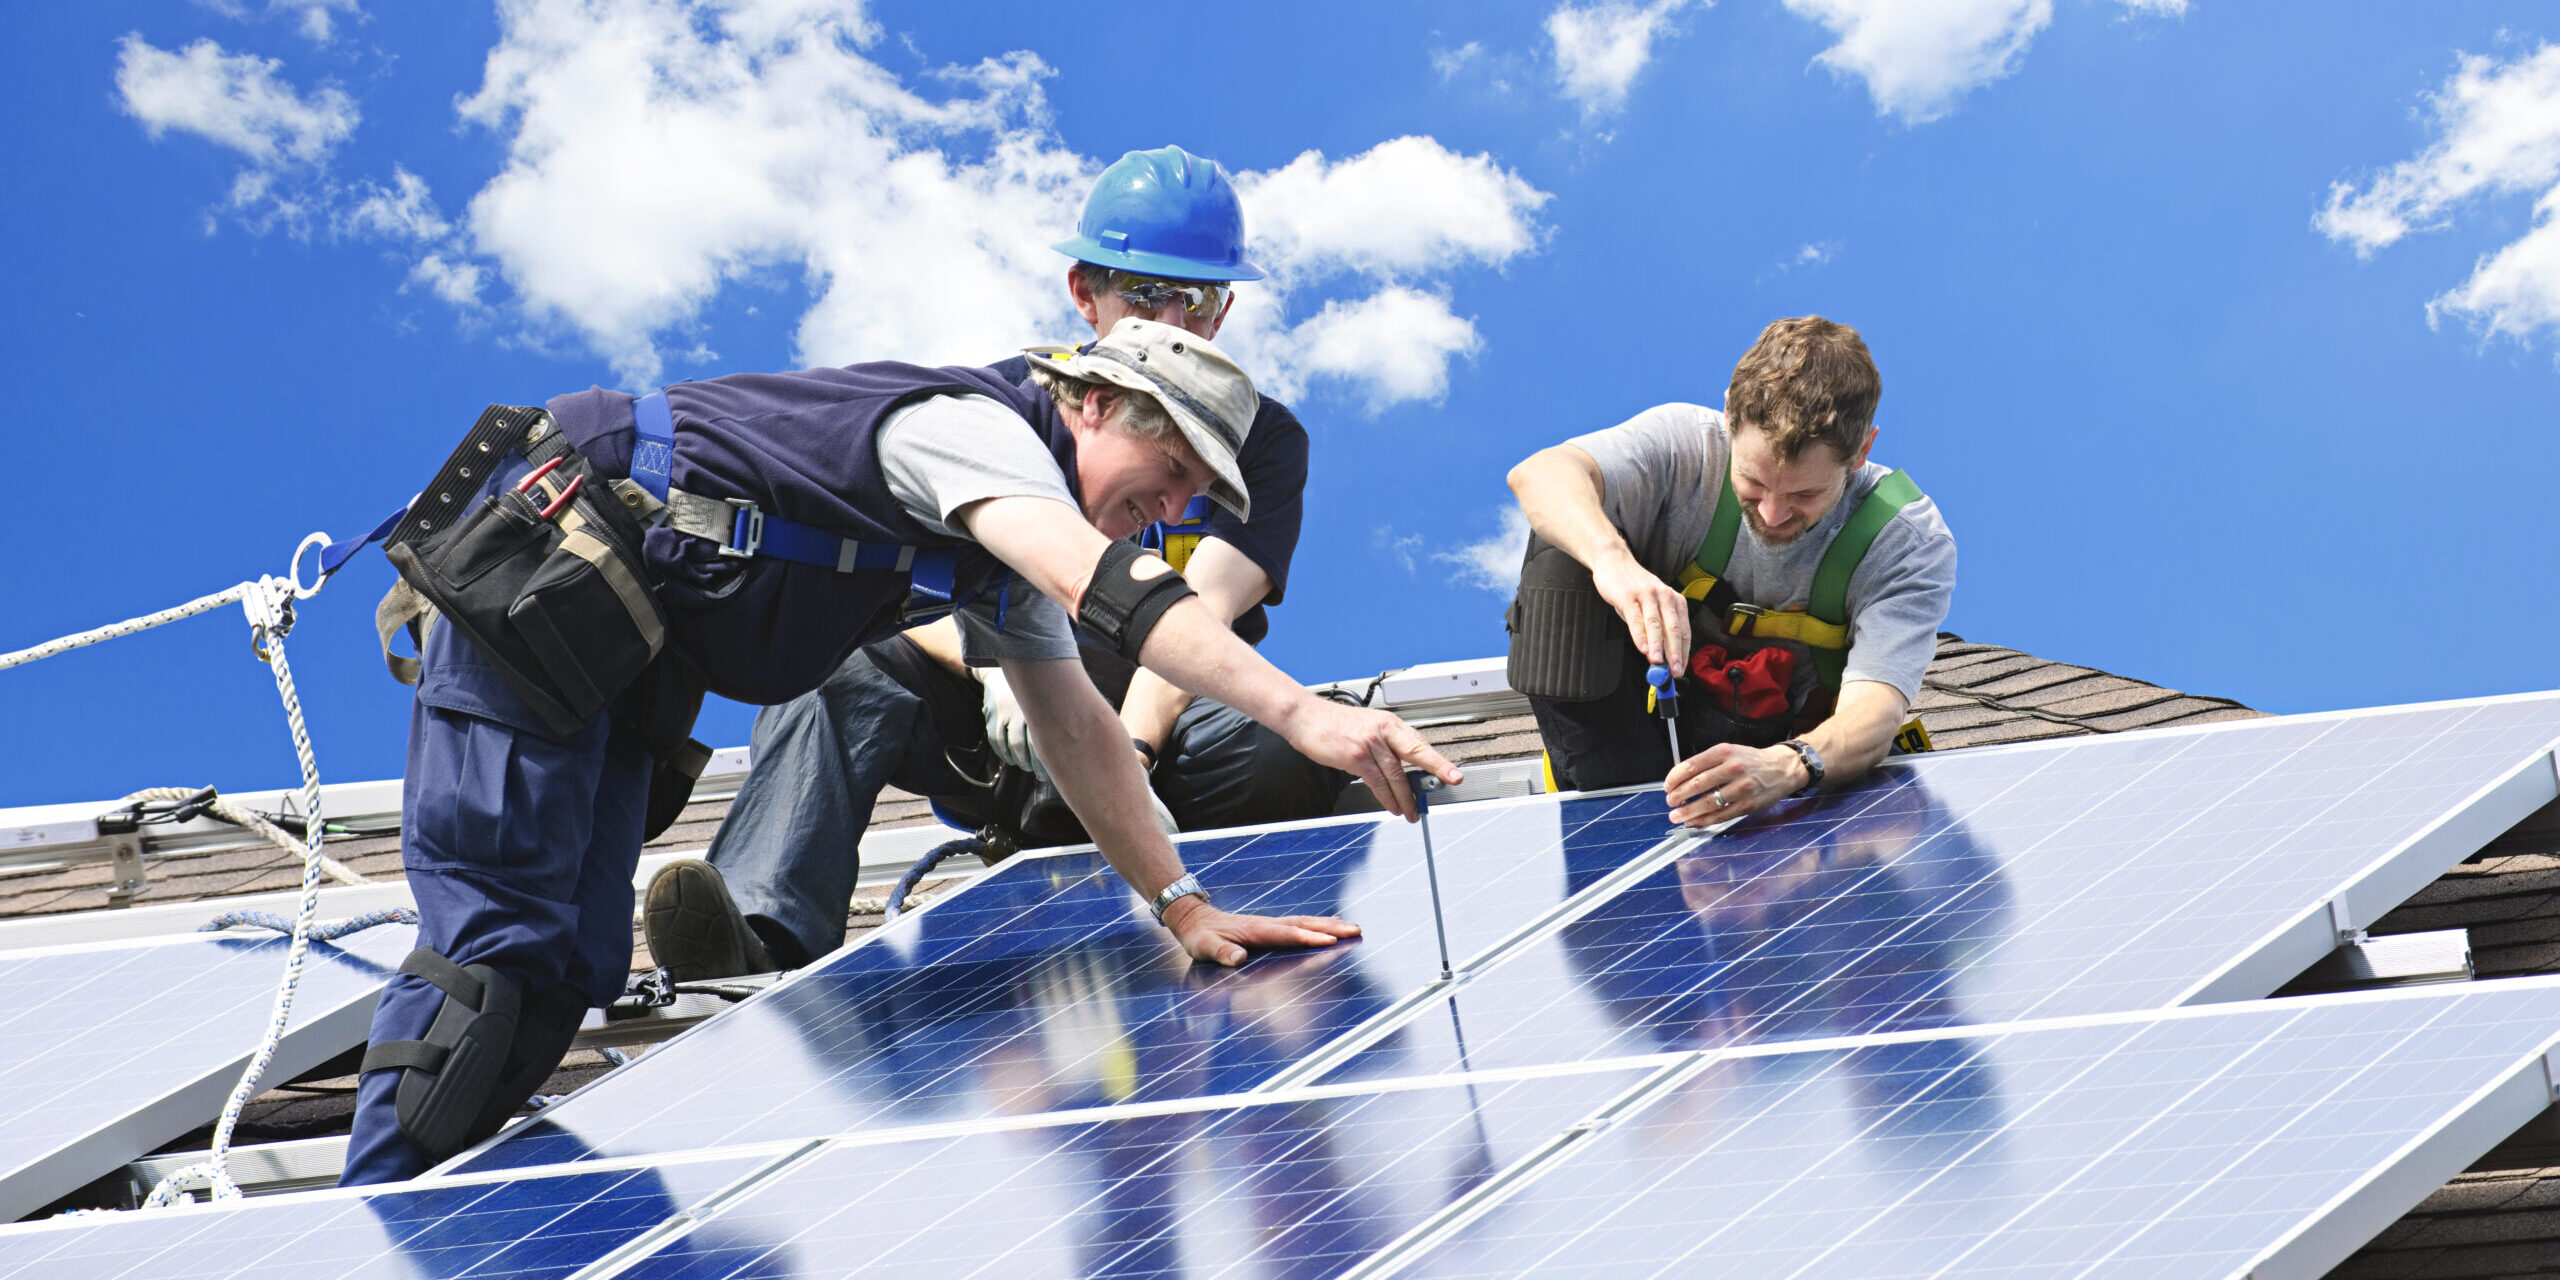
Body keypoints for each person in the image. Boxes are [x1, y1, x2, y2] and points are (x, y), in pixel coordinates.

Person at [340, 316, 1460, 1185]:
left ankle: (439, 1217)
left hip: (617, 651)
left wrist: (1181, 903)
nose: (1163, 512)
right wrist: (1304, 715)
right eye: (1166, 477)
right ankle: (370, 1225)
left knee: (574, 966)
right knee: (497, 953)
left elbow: (1074, 724)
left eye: (1186, 504)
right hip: (540, 575)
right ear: (1097, 400)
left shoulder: (997, 556)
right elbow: (1098, 582)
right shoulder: (970, 433)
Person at [646, 145, 1347, 982]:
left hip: (1156, 727)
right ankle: (759, 935)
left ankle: (1234, 920)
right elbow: (922, 577)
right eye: (1145, 293)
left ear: (1222, 311)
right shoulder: (1008, 410)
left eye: (1193, 298)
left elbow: (1202, 611)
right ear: (1085, 296)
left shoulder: (1255, 443)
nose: (1172, 320)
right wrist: (994, 672)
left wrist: (1131, 748)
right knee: (836, 670)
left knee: (1285, 746)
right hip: (1000, 725)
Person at [1504, 315, 1954, 825]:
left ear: (1862, 451)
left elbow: (1875, 708)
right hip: (1621, 744)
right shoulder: (1683, 447)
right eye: (1754, 483)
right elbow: (1540, 473)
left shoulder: (1903, 538)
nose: (1772, 515)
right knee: (1562, 549)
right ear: (1727, 419)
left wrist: (1790, 765)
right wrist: (1612, 562)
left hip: (1774, 762)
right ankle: (1613, 813)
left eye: (1805, 495)